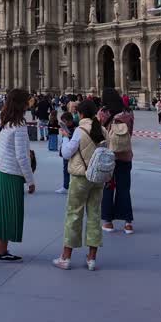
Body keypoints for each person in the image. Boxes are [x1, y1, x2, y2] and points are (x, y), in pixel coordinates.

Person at [54, 99, 108, 271]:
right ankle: (92, 258)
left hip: (80, 178)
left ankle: (66, 257)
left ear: (80, 113)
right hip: (98, 178)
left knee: (74, 215)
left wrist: (64, 138)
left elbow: (66, 153)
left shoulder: (79, 130)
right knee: (94, 215)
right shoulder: (103, 130)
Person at [0, 88, 35, 262]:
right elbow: (22, 157)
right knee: (7, 212)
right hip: (10, 173)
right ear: (21, 104)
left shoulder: (0, 115)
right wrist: (30, 181)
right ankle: (2, 251)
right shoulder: (19, 125)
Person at [98, 89, 134, 234]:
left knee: (108, 188)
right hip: (125, 155)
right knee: (124, 189)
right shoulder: (128, 114)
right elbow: (130, 133)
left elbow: (98, 134)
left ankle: (108, 222)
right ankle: (128, 223)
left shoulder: (103, 113)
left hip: (108, 157)